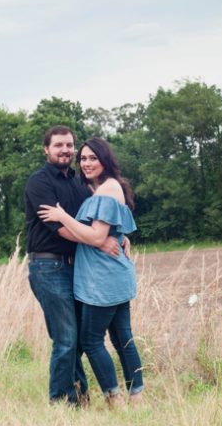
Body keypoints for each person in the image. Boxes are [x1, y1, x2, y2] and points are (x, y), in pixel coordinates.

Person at [39, 137, 144, 408]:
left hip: (103, 277)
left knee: (91, 340)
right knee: (123, 339)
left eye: (92, 158)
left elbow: (97, 237)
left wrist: (62, 217)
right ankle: (138, 397)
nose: (86, 163)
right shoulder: (95, 188)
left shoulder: (108, 189)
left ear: (105, 159)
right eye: (83, 158)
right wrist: (118, 235)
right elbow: (105, 231)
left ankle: (115, 399)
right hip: (111, 272)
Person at [25, 125, 125, 405]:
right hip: (48, 267)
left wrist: (118, 236)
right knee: (66, 338)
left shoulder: (80, 184)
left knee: (79, 339)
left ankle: (79, 395)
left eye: (70, 145)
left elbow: (98, 220)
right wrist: (100, 242)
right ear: (46, 149)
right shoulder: (39, 182)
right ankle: (62, 403)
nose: (66, 150)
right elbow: (59, 227)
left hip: (77, 267)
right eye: (59, 145)